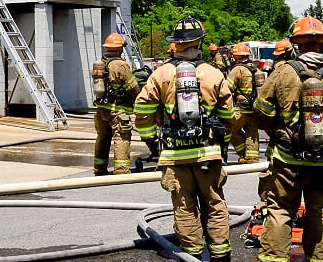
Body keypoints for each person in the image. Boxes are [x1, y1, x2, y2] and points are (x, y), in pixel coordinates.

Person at [253, 16, 323, 262]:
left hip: (287, 158)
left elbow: (261, 109)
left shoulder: (282, 72)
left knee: (280, 210)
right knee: (320, 213)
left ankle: (273, 259)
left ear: (296, 44)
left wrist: (277, 132)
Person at [134, 16, 235, 262]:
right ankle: (221, 255)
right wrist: (223, 144)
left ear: (175, 44)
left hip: (174, 154)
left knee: (184, 207)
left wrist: (151, 142)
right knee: (214, 203)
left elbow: (142, 109)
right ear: (200, 41)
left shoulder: (161, 74)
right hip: (208, 153)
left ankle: (192, 256)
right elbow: (228, 115)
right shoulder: (213, 73)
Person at [92, 33, 141, 176]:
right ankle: (121, 170)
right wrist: (138, 100)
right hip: (117, 110)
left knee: (103, 137)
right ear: (119, 49)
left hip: (101, 110)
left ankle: (99, 168)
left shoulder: (101, 64)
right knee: (121, 137)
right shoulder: (120, 65)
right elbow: (133, 87)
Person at [226, 42, 260, 164]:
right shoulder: (256, 69)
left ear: (236, 56)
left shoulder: (238, 69)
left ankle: (243, 154)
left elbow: (227, 88)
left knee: (231, 129)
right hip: (255, 108)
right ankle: (252, 158)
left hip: (241, 108)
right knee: (252, 133)